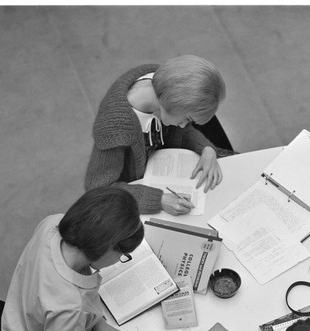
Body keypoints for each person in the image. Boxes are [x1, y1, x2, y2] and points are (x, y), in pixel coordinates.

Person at [0, 186, 162, 331]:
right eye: (122, 255)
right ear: (106, 247)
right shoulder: (70, 306)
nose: (118, 261)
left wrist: (97, 322)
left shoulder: (51, 225)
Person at [84, 54, 234, 216]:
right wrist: (158, 200)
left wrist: (206, 148)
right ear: (174, 102)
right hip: (134, 195)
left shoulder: (164, 86)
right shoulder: (114, 128)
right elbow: (99, 190)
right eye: (187, 119)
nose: (185, 125)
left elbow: (181, 130)